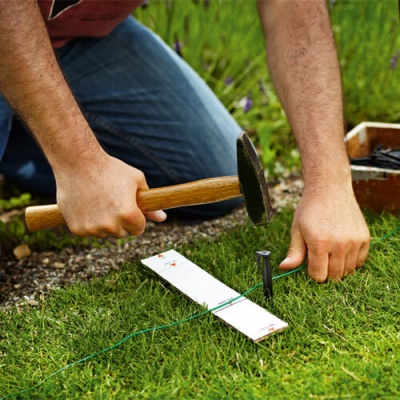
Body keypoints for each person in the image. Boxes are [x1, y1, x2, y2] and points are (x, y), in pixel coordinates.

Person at [0, 0, 370, 282]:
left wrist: (330, 184)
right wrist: (78, 163)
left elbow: (290, 7)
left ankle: (21, 132)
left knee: (211, 167)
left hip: (82, 41)